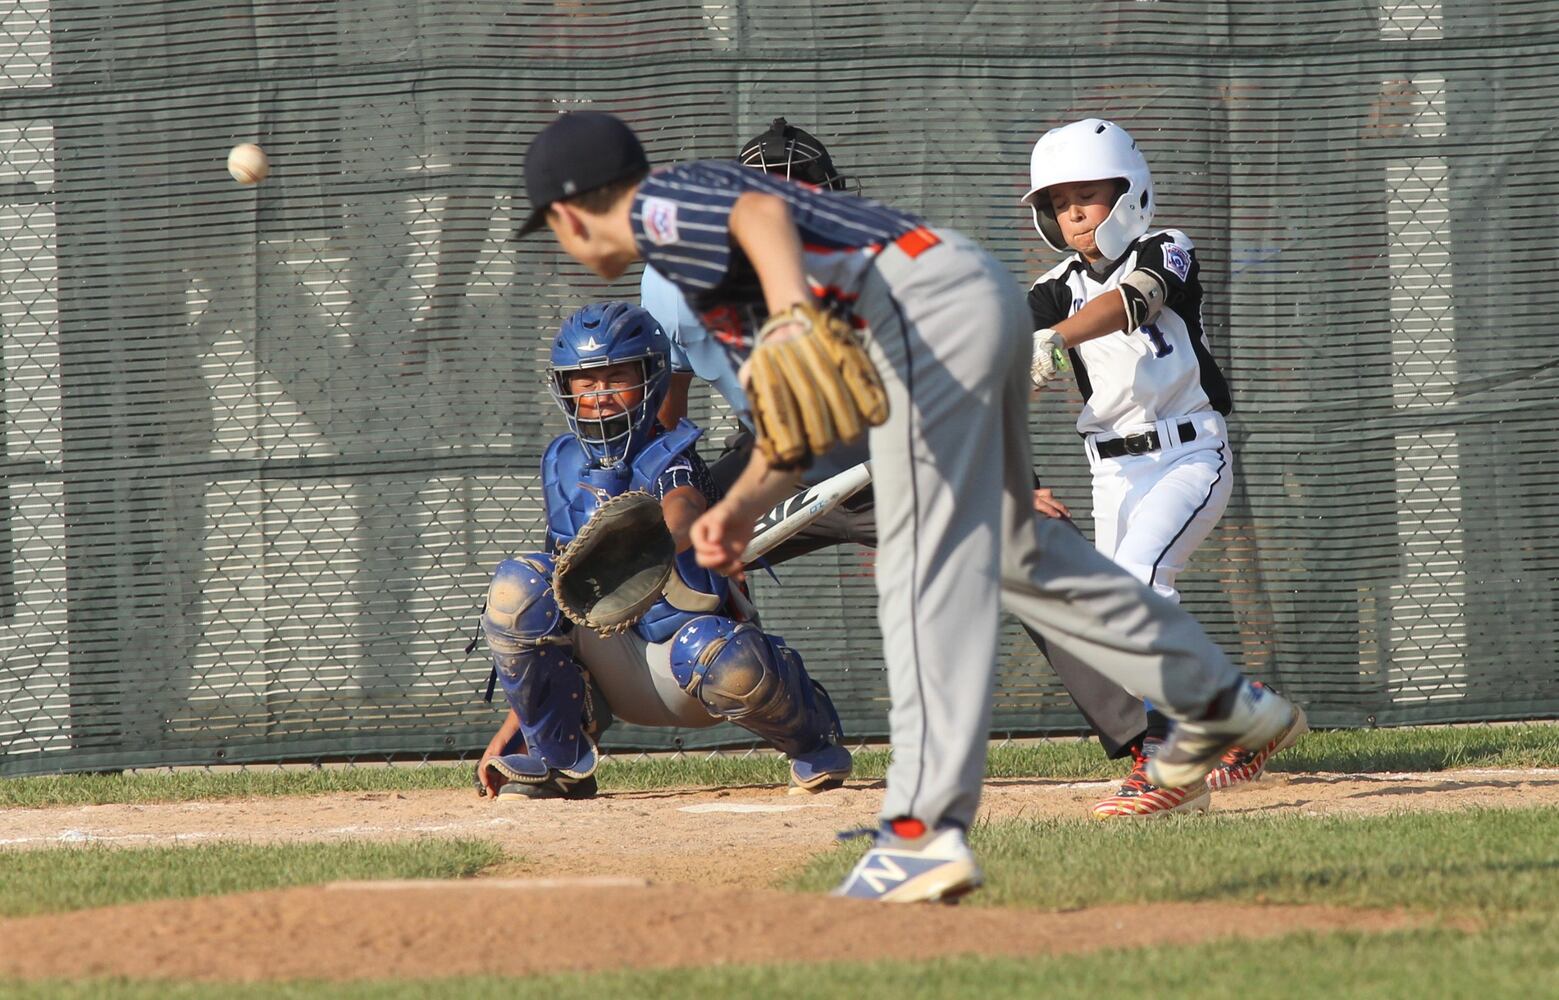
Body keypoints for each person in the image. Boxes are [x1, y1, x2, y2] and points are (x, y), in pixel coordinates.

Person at [514, 109, 1298, 903]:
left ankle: (947, 830)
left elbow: (760, 216)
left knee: (948, 582)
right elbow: (785, 416)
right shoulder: (671, 278)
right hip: (902, 358)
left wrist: (789, 317)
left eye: (551, 226)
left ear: (572, 213)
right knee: (1000, 562)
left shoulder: (673, 211)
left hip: (934, 346)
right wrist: (732, 504)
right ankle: (1224, 703)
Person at [643, 117, 1242, 812]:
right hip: (773, 460)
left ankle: (1154, 745)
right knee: (639, 558)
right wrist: (677, 499)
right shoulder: (677, 286)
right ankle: (556, 728)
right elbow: (666, 411)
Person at [1022, 118, 1309, 817]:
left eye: (1088, 194)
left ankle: (1176, 755)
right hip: (1110, 472)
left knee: (1139, 582)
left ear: (1129, 193)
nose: (1074, 212)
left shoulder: (1166, 247)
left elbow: (1134, 300)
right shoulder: (1053, 284)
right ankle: (1242, 718)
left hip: (1188, 451)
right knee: (1112, 615)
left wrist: (1050, 342)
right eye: (1059, 202)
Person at [474, 301, 853, 800]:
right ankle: (556, 757)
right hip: (608, 664)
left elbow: (683, 507)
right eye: (586, 382)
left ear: (650, 378)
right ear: (565, 388)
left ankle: (811, 740)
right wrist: (522, 719)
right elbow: (557, 605)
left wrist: (656, 538)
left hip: (684, 661)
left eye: (617, 377)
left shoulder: (672, 456)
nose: (602, 395)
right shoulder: (561, 464)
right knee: (518, 586)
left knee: (727, 659)